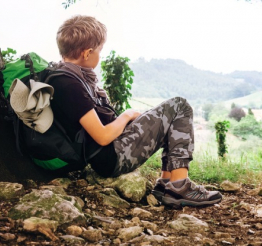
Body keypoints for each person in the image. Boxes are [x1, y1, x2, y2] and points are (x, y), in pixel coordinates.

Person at [49, 15, 222, 207]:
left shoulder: (69, 77)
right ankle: (180, 186)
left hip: (109, 151)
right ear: (87, 53)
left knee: (169, 114)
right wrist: (127, 115)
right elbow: (103, 136)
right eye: (100, 50)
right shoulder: (69, 84)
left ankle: (166, 185)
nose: (100, 54)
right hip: (110, 157)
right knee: (179, 106)